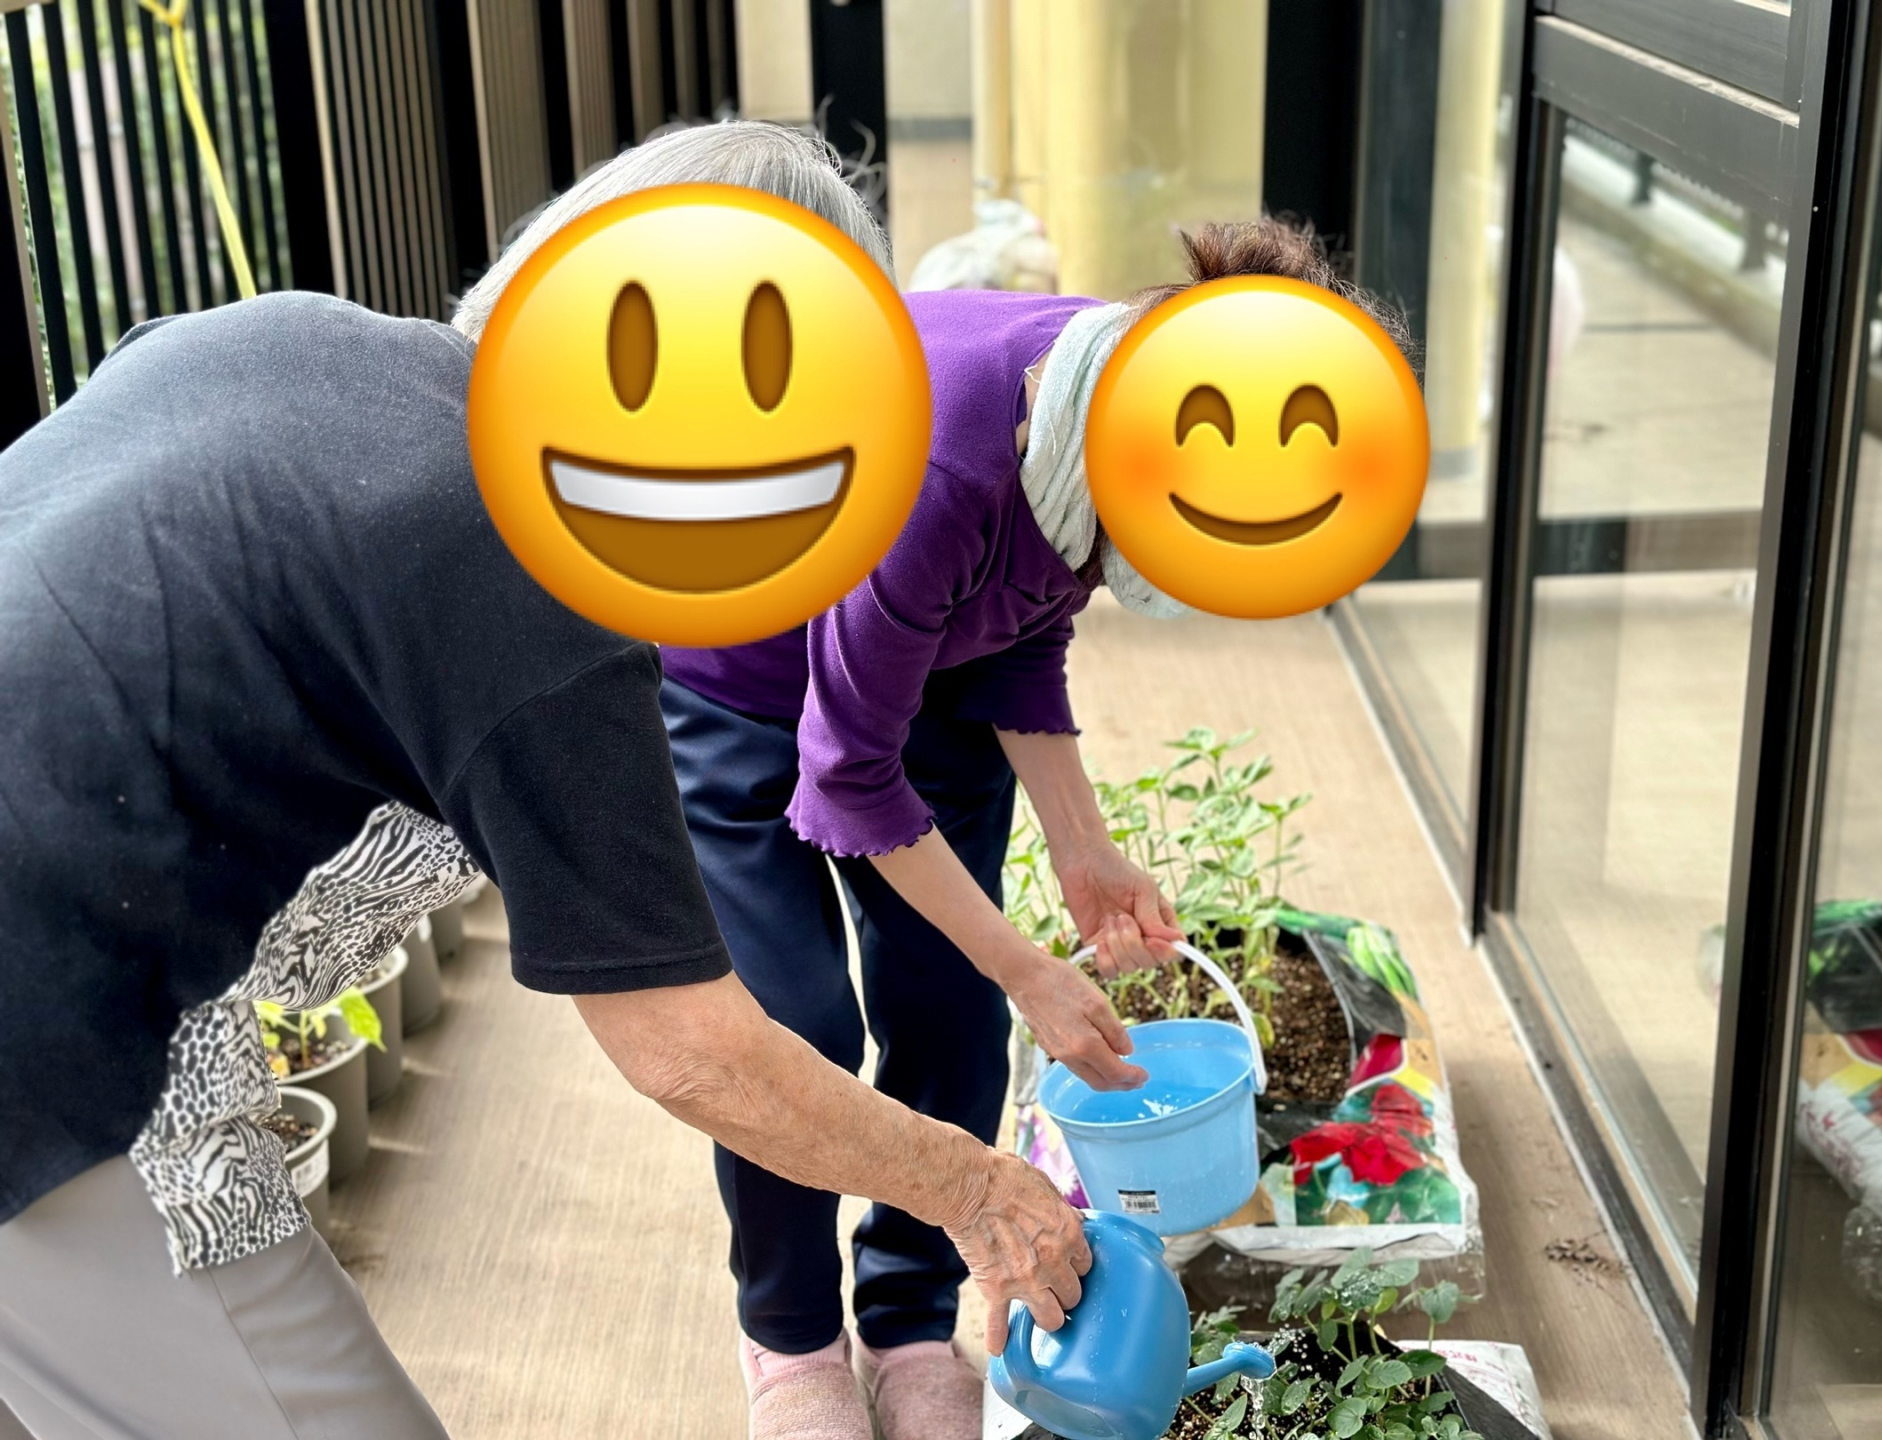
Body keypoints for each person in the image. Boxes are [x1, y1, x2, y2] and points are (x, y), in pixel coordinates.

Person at [0, 121, 1089, 1440]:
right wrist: (975, 1189)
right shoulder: (528, 588)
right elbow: (697, 1054)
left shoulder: (288, 336)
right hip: (43, 1035)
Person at [657, 216, 1413, 1439]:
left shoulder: (1106, 411)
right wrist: (1028, 968)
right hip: (736, 671)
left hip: (928, 669)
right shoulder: (943, 467)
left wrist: (1083, 847)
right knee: (795, 1024)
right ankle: (791, 1342)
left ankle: (909, 1322)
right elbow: (850, 771)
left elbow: (1024, 621)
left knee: (950, 1013)